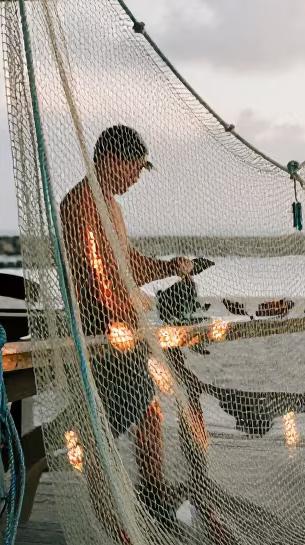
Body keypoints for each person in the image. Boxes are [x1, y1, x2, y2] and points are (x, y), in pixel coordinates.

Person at [59, 125, 205, 524]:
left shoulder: (112, 206)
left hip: (128, 321)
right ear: (110, 160)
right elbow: (92, 276)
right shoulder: (80, 204)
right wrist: (118, 322)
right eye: (134, 168)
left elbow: (125, 263)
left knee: (150, 406)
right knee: (115, 414)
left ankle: (153, 488)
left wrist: (166, 267)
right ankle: (121, 502)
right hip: (103, 329)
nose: (137, 177)